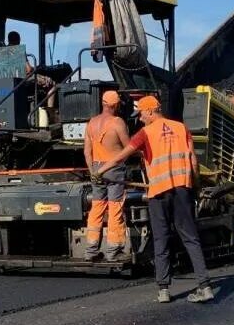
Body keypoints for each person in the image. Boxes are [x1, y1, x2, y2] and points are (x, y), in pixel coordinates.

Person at [95, 95, 214, 303]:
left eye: (141, 114)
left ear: (150, 111)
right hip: (182, 190)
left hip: (159, 192)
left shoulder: (145, 133)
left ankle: (164, 290)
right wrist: (196, 186)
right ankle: (204, 287)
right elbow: (193, 161)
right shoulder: (181, 128)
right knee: (191, 238)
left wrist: (101, 170)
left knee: (161, 238)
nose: (140, 118)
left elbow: (123, 155)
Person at [82, 90, 130, 262]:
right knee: (115, 207)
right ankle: (113, 251)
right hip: (114, 169)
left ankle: (90, 250)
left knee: (96, 208)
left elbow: (87, 151)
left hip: (96, 168)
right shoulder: (118, 122)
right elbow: (128, 148)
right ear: (116, 105)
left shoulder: (92, 123)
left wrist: (93, 171)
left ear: (102, 103)